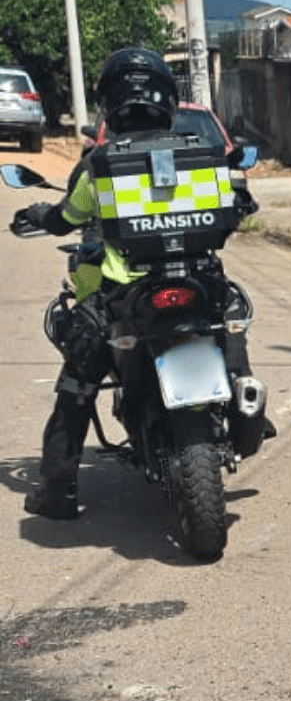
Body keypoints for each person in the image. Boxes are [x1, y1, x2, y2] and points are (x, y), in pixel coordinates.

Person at [16, 48, 182, 519]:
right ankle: (253, 417)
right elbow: (236, 203)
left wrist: (40, 213)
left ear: (110, 103)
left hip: (122, 291)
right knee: (228, 321)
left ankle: (57, 490)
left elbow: (67, 218)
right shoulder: (192, 153)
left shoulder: (99, 165)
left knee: (79, 380)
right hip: (191, 277)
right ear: (167, 98)